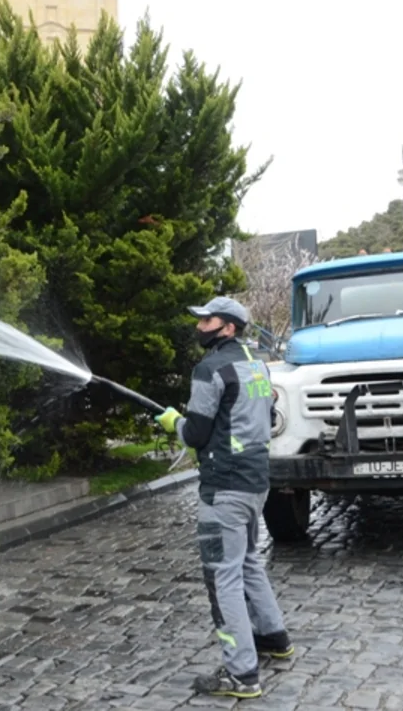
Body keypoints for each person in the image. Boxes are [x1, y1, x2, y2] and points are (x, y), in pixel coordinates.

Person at [154, 296, 293, 699]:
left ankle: (242, 674)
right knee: (248, 560)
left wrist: (171, 422)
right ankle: (274, 638)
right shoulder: (257, 364)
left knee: (222, 576)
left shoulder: (209, 369)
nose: (200, 327)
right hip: (255, 481)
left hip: (224, 487)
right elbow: (265, 416)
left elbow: (195, 434)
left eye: (207, 321)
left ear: (228, 327)